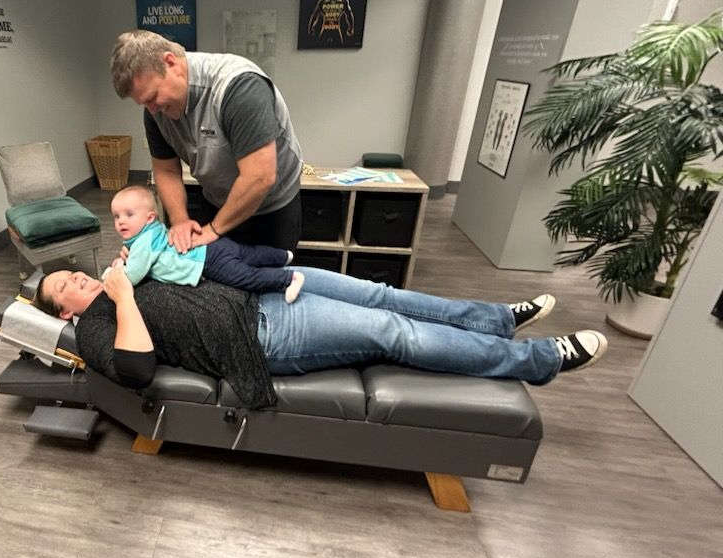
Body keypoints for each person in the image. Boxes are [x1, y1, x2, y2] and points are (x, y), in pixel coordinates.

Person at [34, 266, 609, 410]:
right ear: (65, 310)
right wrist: (124, 295)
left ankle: (495, 319)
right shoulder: (97, 326)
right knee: (392, 332)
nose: (79, 278)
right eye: (67, 285)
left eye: (74, 272)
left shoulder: (119, 274)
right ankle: (537, 360)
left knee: (385, 295)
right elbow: (136, 371)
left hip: (259, 291)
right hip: (259, 334)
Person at [109, 29, 304, 253]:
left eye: (153, 97)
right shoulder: (155, 111)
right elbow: (166, 169)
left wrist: (215, 229)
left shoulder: (240, 89)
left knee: (268, 281)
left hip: (270, 208)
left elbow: (259, 177)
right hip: (217, 200)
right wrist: (180, 220)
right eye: (144, 103)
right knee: (216, 277)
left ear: (170, 62)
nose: (152, 109)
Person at [109, 184, 305, 302]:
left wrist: (114, 271)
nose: (121, 221)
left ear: (150, 217)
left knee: (245, 277)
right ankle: (282, 256)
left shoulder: (144, 242)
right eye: (116, 217)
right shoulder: (155, 230)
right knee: (247, 253)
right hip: (211, 245)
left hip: (206, 261)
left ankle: (289, 279)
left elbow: (132, 276)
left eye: (129, 215)